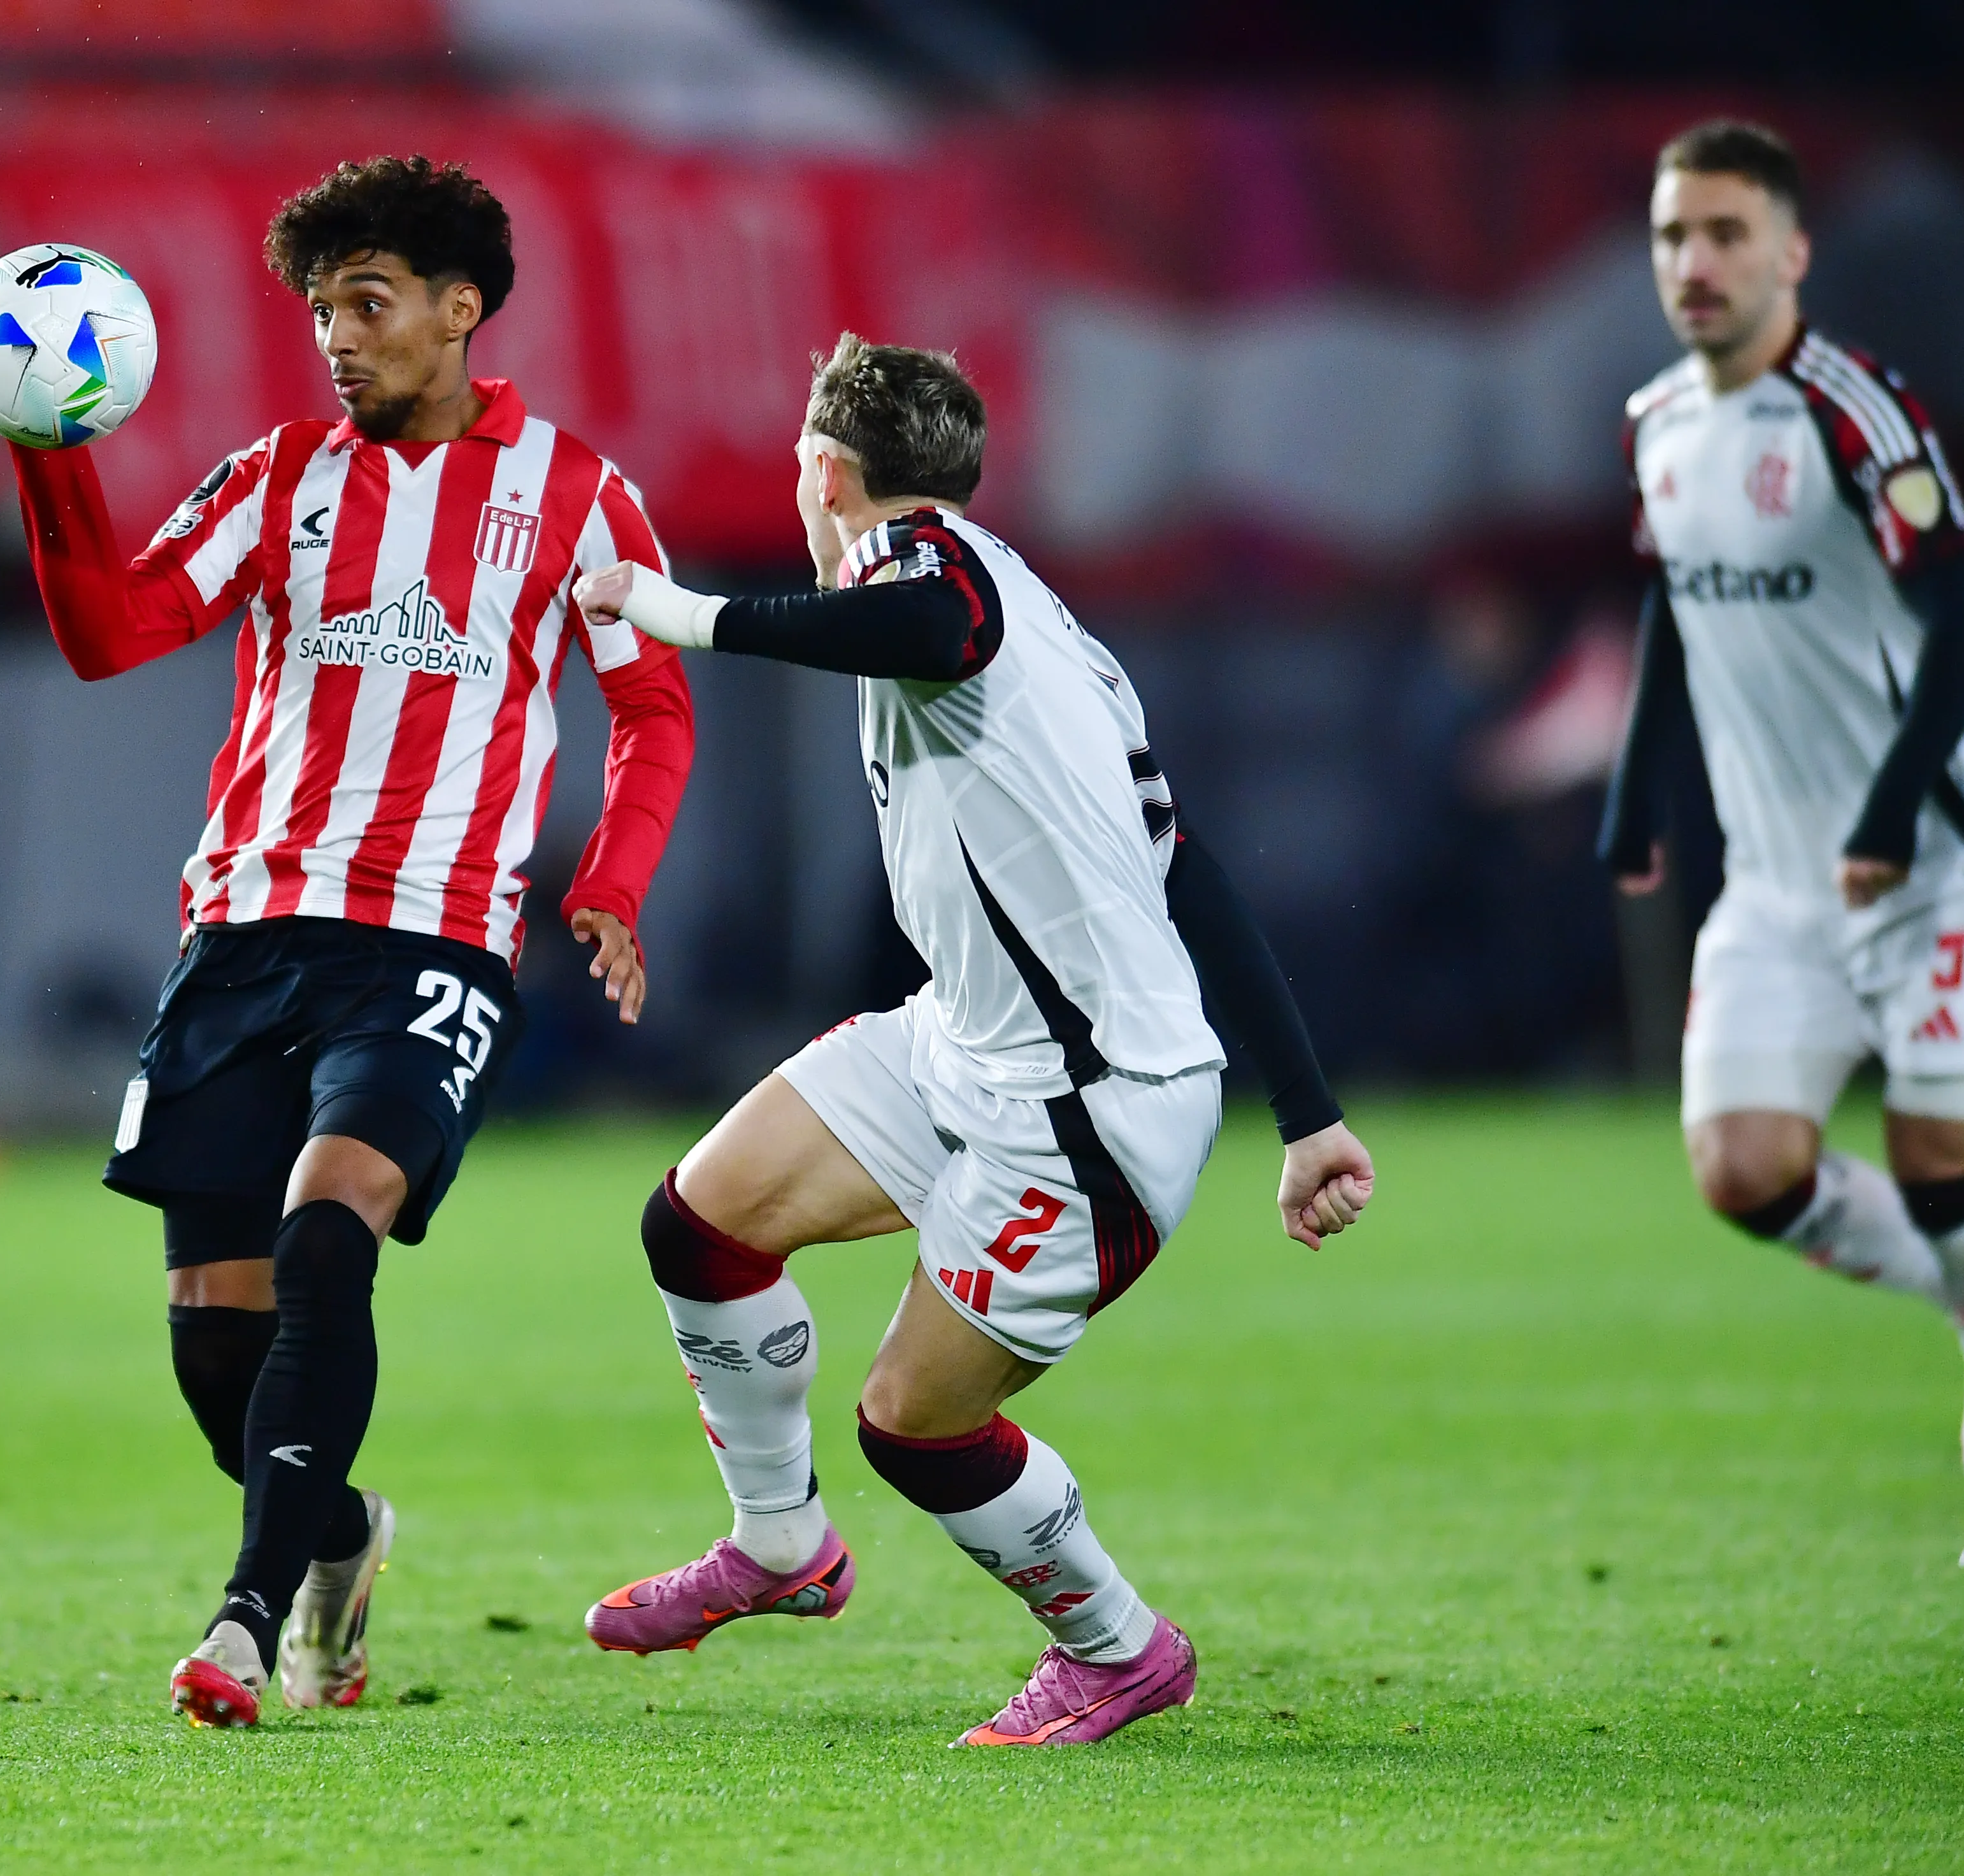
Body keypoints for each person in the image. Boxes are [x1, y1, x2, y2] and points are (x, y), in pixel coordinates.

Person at [567, 336, 1374, 1747]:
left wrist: (670, 609)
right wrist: (1308, 1107)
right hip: (969, 1041)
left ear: (822, 471)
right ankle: (777, 1545)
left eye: (803, 469)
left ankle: (1118, 1649)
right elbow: (1189, 869)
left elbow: (924, 626)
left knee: (915, 1425)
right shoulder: (1047, 622)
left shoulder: (925, 574)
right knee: (701, 1222)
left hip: (1083, 1111)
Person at [6, 155, 697, 1722]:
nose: (337, 335)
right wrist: (50, 459)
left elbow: (652, 707)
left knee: (331, 1233)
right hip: (244, 934)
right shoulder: (276, 478)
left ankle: (244, 1622)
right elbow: (111, 633)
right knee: (211, 1356)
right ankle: (335, 1538)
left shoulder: (579, 498)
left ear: (461, 311)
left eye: (367, 303)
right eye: (321, 308)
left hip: (434, 945)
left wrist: (613, 880)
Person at [1599, 121, 1964, 1564]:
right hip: (1773, 880)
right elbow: (1671, 604)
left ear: (1791, 252)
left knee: (1948, 1166)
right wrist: (1636, 791)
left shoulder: (1853, 411)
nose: (1692, 264)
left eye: (1724, 233)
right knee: (1742, 1168)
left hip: (1931, 854)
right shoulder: (1657, 423)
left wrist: (1887, 811)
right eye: (1670, 237)